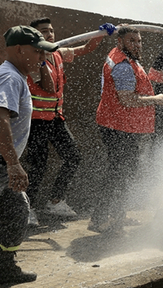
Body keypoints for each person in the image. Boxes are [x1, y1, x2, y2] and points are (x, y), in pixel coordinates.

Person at [25, 18, 109, 226]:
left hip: (55, 119)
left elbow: (85, 48)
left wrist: (100, 34)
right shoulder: (32, 60)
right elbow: (49, 88)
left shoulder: (58, 53)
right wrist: (43, 58)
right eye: (44, 31)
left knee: (73, 156)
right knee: (37, 166)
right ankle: (28, 209)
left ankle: (55, 201)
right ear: (34, 36)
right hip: (36, 121)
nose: (50, 34)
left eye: (51, 30)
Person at [88, 26, 163, 233]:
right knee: (117, 174)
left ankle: (117, 215)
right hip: (118, 127)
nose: (138, 45)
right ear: (120, 42)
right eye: (132, 41)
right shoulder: (123, 65)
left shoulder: (123, 56)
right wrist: (156, 100)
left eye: (139, 41)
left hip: (119, 124)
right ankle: (100, 219)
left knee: (124, 172)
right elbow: (128, 99)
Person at [0, 25, 58, 284]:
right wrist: (13, 164)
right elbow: (0, 120)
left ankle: (4, 266)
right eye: (37, 52)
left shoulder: (16, 76)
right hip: (1, 162)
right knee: (16, 210)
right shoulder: (9, 78)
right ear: (20, 49)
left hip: (4, 162)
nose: (42, 58)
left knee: (16, 210)